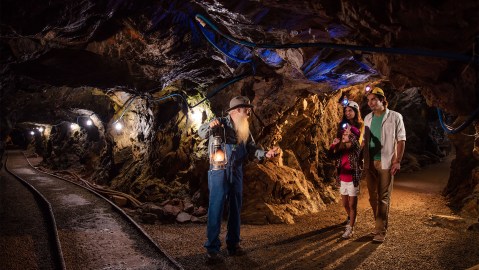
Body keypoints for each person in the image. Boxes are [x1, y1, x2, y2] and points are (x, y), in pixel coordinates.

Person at [198, 96, 279, 263]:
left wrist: (266, 154)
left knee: (236, 208)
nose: (248, 113)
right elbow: (202, 132)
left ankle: (233, 245)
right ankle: (212, 250)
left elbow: (252, 148)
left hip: (236, 171)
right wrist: (210, 126)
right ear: (235, 111)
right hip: (219, 171)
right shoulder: (219, 122)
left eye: (248, 109)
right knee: (216, 208)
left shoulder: (244, 129)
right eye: (245, 110)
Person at [363, 87, 406, 243]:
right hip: (369, 162)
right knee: (372, 198)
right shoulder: (367, 118)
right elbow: (365, 140)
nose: (370, 103)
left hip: (386, 162)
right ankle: (378, 224)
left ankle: (380, 230)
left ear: (382, 100)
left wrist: (397, 161)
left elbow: (401, 140)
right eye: (368, 100)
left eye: (373, 99)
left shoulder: (395, 117)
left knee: (383, 197)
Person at [328, 125, 362, 239]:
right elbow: (330, 156)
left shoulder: (355, 149)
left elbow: (356, 140)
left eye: (347, 134)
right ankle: (352, 218)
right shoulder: (341, 150)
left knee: (352, 205)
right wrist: (333, 145)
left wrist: (350, 130)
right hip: (342, 180)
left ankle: (350, 228)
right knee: (345, 204)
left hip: (352, 180)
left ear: (352, 137)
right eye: (343, 134)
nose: (344, 135)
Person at [336, 99, 364, 225]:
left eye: (350, 111)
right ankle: (350, 216)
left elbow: (360, 139)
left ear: (356, 111)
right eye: (346, 111)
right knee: (345, 201)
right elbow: (340, 141)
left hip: (354, 160)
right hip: (344, 159)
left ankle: (352, 220)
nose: (347, 113)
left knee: (352, 201)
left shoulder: (360, 126)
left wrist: (350, 130)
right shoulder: (342, 126)